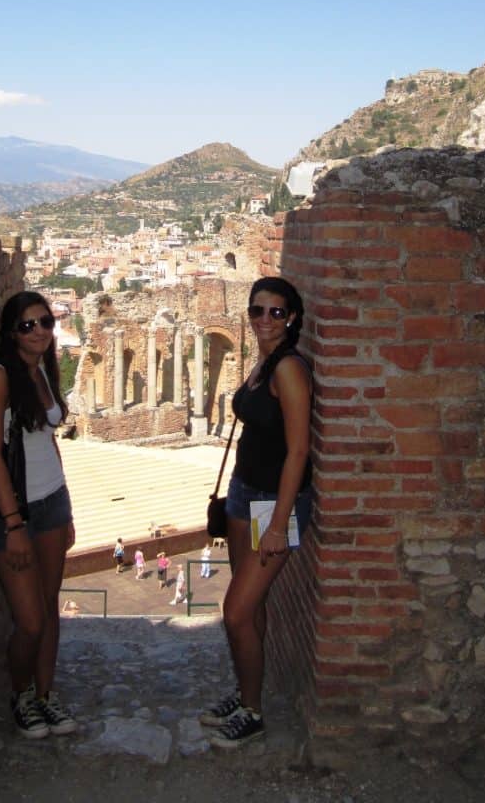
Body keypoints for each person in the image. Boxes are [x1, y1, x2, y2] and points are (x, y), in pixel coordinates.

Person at [200, 277, 312, 750]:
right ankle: (248, 694)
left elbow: (299, 450)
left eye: (275, 312)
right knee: (255, 607)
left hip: (273, 504)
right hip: (244, 494)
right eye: (257, 311)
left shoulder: (288, 368)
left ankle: (253, 713)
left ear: (292, 318)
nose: (264, 320)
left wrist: (278, 523)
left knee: (235, 612)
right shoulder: (263, 362)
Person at [0, 291, 78, 739]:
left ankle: (45, 694)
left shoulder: (43, 371)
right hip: (12, 512)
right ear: (10, 331)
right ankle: (20, 694)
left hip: (52, 500)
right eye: (28, 325)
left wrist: (66, 504)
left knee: (49, 609)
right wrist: (13, 523)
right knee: (30, 619)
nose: (39, 331)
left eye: (45, 322)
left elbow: (47, 440)